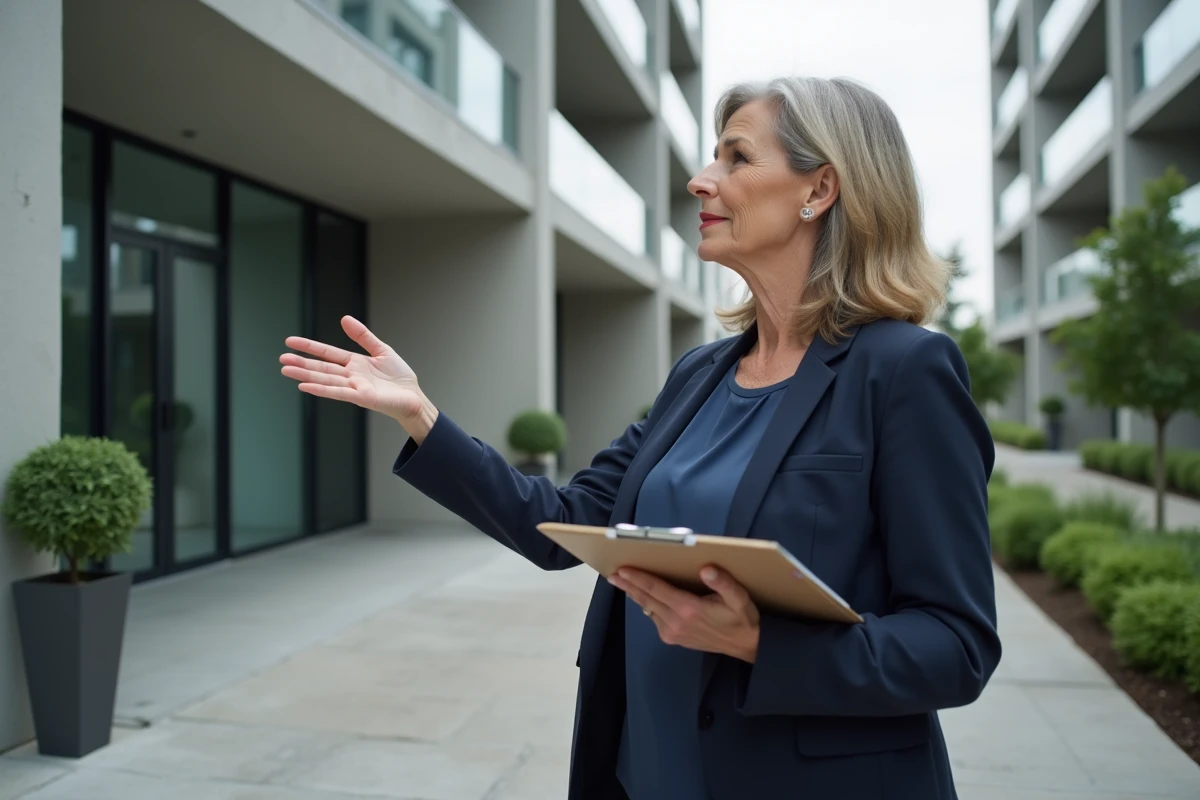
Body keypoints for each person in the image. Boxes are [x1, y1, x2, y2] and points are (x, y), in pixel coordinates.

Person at [280, 76, 1000, 800]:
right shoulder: (700, 374)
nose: (700, 180)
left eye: (736, 158)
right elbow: (560, 524)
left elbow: (955, 645)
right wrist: (421, 417)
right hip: (645, 774)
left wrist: (756, 642)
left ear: (820, 189)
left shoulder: (905, 370)